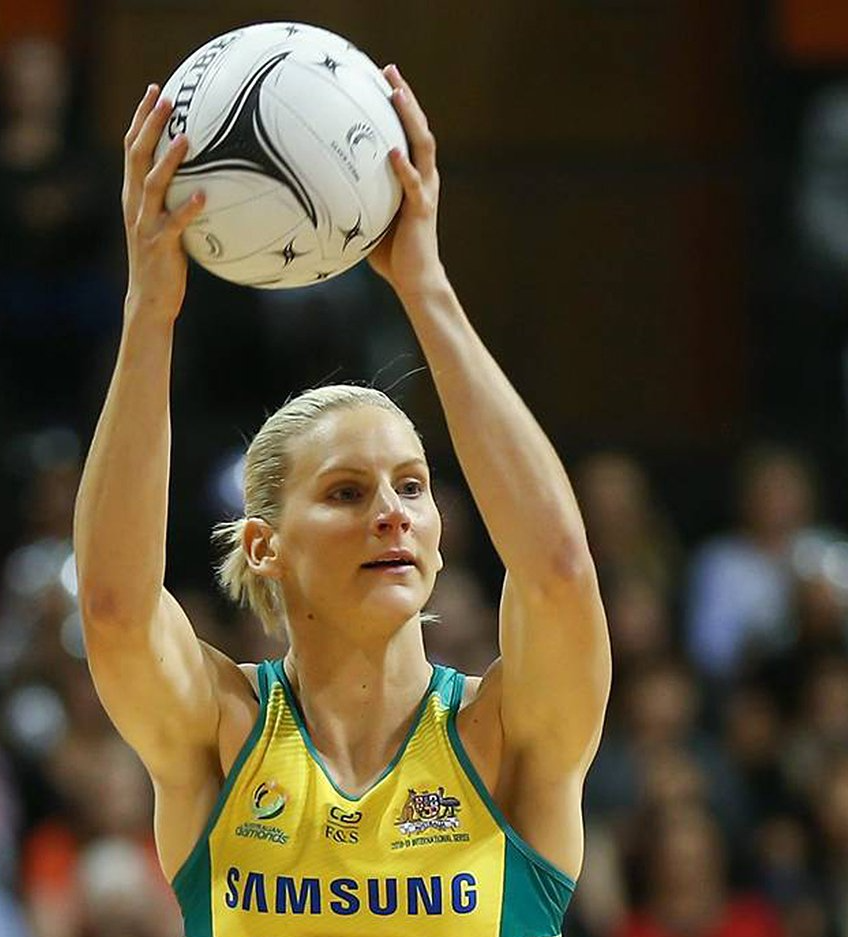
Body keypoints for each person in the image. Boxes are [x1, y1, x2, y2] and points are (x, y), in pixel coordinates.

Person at [74, 64, 611, 936]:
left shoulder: (500, 738)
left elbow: (558, 570)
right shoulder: (225, 732)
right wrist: (150, 312)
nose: (391, 512)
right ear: (263, 545)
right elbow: (112, 607)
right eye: (347, 491)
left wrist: (426, 289)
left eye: (412, 484)